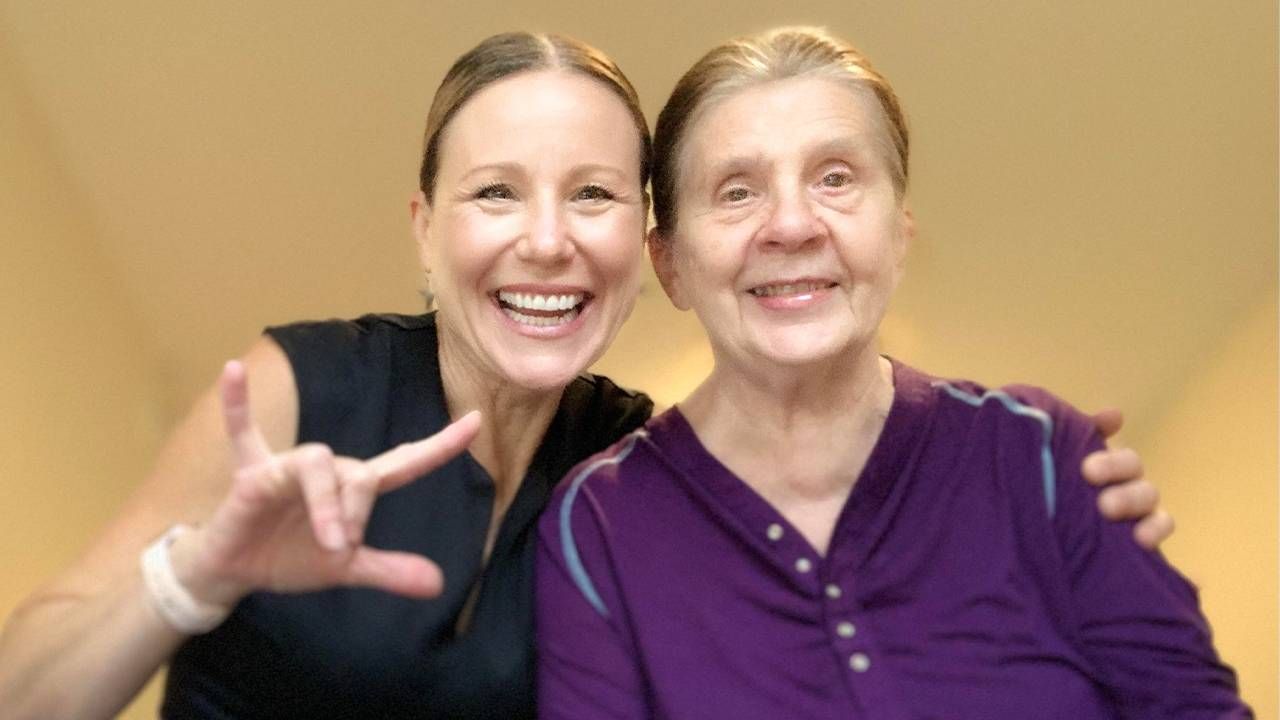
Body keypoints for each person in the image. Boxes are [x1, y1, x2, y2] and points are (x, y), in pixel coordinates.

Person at [0, 31, 1164, 720]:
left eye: (594, 194)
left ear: (651, 252)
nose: (547, 241)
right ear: (422, 226)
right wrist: (188, 580)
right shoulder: (298, 390)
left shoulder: (636, 484)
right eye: (495, 191)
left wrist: (1038, 507)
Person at [536, 27, 1250, 719]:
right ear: (670, 265)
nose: (793, 224)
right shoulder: (597, 526)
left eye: (836, 178)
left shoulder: (1038, 457)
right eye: (736, 191)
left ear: (899, 234)